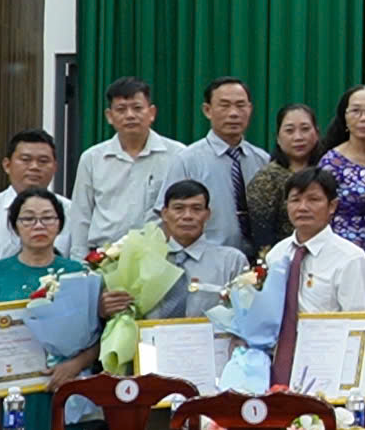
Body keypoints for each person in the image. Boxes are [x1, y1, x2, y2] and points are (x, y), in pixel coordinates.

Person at [0, 189, 93, 430]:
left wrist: (74, 365)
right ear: (15, 226)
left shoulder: (77, 273)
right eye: (28, 218)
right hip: (8, 390)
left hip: (61, 387)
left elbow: (97, 335)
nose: (38, 225)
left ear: (60, 225)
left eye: (47, 218)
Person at [263, 167, 365, 388]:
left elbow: (355, 326)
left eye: (313, 200)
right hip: (274, 362)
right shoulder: (277, 254)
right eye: (295, 200)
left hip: (326, 364)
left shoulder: (350, 258)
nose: (302, 207)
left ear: (332, 206)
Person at [70, 77, 183, 251]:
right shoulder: (92, 158)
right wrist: (79, 261)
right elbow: (81, 216)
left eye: (137, 108)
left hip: (159, 256)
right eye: (121, 109)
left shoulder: (177, 155)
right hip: (102, 256)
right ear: (109, 116)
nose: (130, 115)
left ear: (152, 113)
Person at [160, 77, 267, 256]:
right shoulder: (187, 160)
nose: (233, 113)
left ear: (250, 109)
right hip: (207, 260)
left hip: (259, 259)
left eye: (241, 105)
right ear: (207, 110)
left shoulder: (261, 160)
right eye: (224, 106)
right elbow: (167, 218)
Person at [0, 129, 73, 288]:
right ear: (7, 165)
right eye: (25, 160)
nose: (34, 167)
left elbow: (79, 263)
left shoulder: (72, 211)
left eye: (43, 161)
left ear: (55, 167)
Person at [122, 180, 250, 321]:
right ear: (164, 214)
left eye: (196, 209)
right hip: (149, 333)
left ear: (207, 214)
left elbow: (246, 313)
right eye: (179, 208)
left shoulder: (232, 261)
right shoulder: (143, 258)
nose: (187, 216)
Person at [318, 84, 365, 254]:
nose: (363, 118)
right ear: (344, 118)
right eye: (355, 111)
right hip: (340, 252)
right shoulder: (331, 162)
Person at [245, 103, 322, 259]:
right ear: (278, 138)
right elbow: (261, 235)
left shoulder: (328, 169)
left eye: (305, 129)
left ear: (317, 133)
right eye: (289, 130)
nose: (298, 137)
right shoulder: (266, 179)